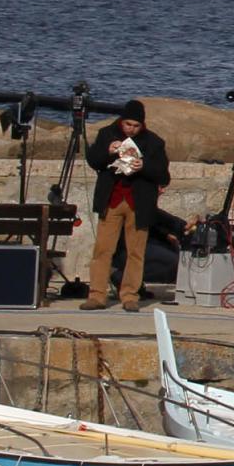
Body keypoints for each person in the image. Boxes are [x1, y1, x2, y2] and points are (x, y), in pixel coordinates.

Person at [83, 100, 169, 312]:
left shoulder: (153, 142)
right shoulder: (106, 134)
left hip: (138, 204)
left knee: (136, 252)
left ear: (142, 125)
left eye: (135, 125)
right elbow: (93, 160)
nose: (130, 129)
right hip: (111, 201)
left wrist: (144, 166)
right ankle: (97, 295)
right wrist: (108, 151)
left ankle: (130, 295)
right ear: (122, 121)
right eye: (128, 124)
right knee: (103, 249)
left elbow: (163, 175)